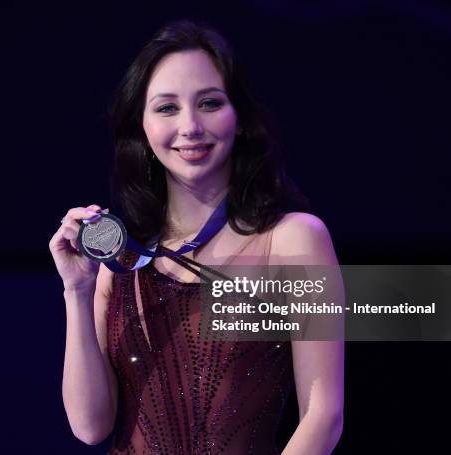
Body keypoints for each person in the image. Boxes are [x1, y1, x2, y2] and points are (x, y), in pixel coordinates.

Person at [49, 19, 344, 455]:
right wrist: (77, 290)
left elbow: (324, 415)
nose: (190, 126)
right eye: (167, 108)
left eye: (208, 103)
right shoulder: (124, 260)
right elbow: (90, 427)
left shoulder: (292, 238)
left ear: (239, 117)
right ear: (143, 128)